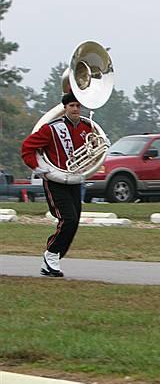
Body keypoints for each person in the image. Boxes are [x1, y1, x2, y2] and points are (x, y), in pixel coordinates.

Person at [20, 92, 92, 277]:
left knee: (74, 222)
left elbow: (91, 152)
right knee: (68, 219)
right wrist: (38, 168)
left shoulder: (87, 127)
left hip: (75, 180)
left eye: (78, 106)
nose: (75, 109)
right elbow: (27, 148)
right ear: (64, 108)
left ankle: (53, 259)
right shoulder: (51, 129)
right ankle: (51, 255)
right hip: (55, 182)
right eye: (71, 106)